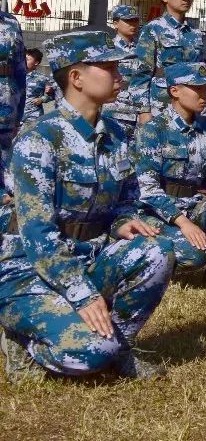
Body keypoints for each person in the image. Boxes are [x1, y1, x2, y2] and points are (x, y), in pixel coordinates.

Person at [0, 30, 172, 381]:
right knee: (93, 351)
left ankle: (120, 344)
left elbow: (126, 199)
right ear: (76, 78)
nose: (119, 76)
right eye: (108, 67)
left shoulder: (115, 134)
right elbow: (37, 233)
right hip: (29, 268)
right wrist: (82, 295)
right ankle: (24, 342)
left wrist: (122, 222)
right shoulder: (41, 139)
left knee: (158, 252)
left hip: (87, 256)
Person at [133, 63, 206, 279]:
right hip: (159, 212)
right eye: (197, 89)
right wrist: (182, 223)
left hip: (193, 204)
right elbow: (147, 189)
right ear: (174, 91)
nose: (205, 94)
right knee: (195, 256)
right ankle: (154, 259)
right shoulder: (154, 130)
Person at [132, 0, 204, 124]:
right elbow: (141, 73)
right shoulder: (153, 29)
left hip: (188, 106)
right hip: (161, 104)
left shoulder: (194, 32)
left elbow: (198, 73)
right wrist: (144, 110)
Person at [0, 0, 27, 199]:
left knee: (5, 151)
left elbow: (20, 68)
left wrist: (19, 110)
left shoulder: (10, 23)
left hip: (6, 100)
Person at [102, 4, 146, 141]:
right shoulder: (108, 50)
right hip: (116, 112)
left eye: (135, 21)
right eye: (128, 21)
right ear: (115, 23)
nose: (133, 25)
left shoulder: (143, 50)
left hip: (140, 113)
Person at [22, 48, 54, 124]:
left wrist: (42, 99)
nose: (23, 62)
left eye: (27, 59)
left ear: (36, 62)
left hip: (33, 117)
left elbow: (53, 94)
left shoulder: (42, 79)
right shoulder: (15, 77)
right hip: (15, 117)